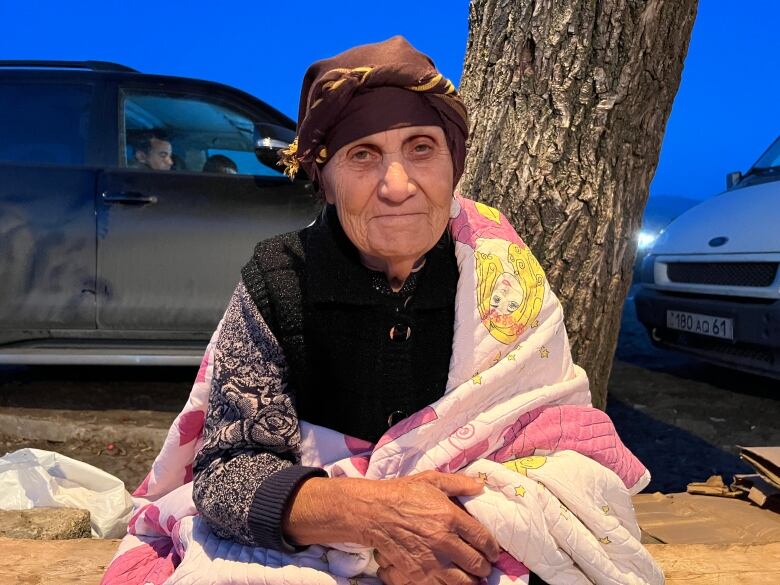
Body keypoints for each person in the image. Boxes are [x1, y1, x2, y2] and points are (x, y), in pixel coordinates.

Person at [102, 36, 662, 585]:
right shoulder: (282, 278)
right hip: (324, 531)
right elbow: (225, 474)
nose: (398, 185)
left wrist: (444, 533)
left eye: (422, 148)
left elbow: (560, 448)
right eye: (363, 155)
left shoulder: (502, 275)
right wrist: (378, 517)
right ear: (323, 177)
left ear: (453, 163)